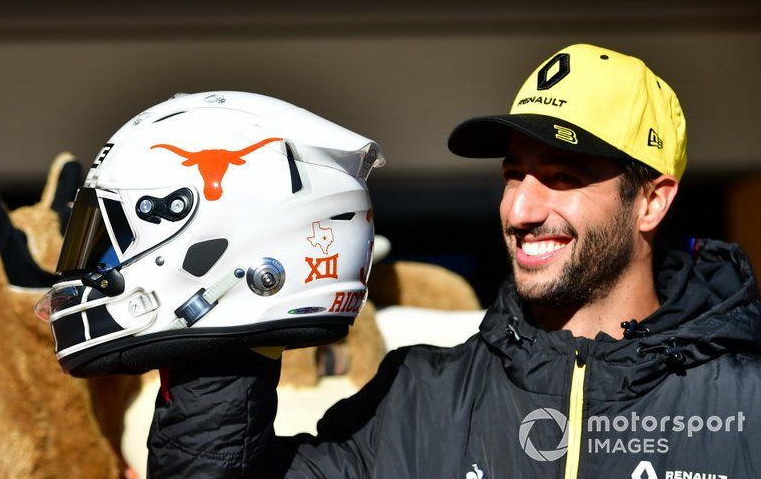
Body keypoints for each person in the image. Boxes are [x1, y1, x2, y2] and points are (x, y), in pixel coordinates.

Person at [148, 44, 761, 478]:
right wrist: (226, 332)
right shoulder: (417, 400)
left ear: (651, 201)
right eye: (514, 173)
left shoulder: (746, 407)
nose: (520, 208)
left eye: (562, 177)